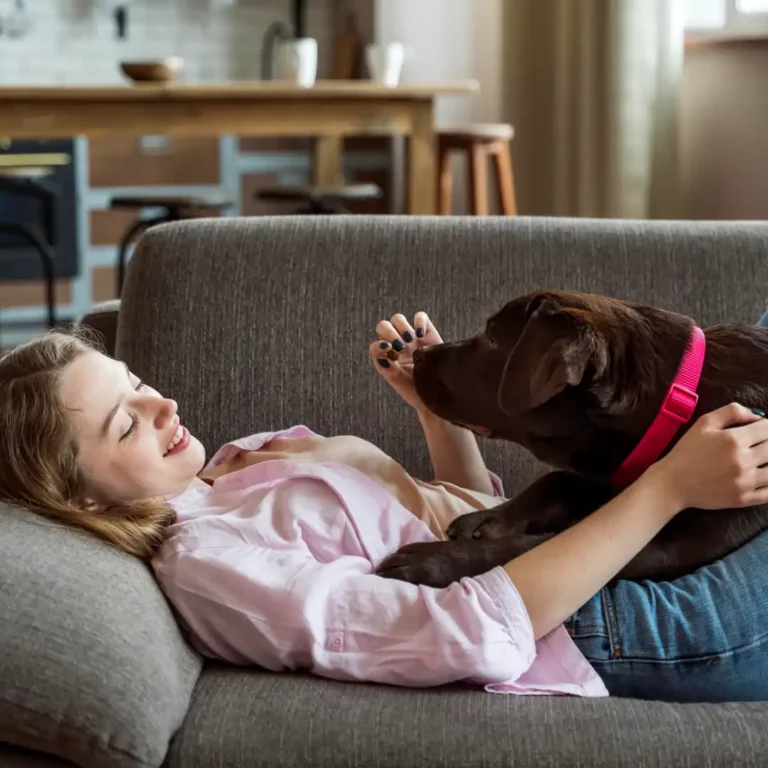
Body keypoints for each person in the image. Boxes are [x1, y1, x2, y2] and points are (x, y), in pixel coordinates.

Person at [2, 312, 768, 702]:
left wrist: (436, 413)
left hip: (575, 552)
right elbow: (470, 630)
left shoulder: (235, 464)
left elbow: (467, 521)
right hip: (614, 622)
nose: (164, 405)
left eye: (137, 382)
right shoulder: (210, 564)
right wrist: (669, 489)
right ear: (77, 495)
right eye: (126, 423)